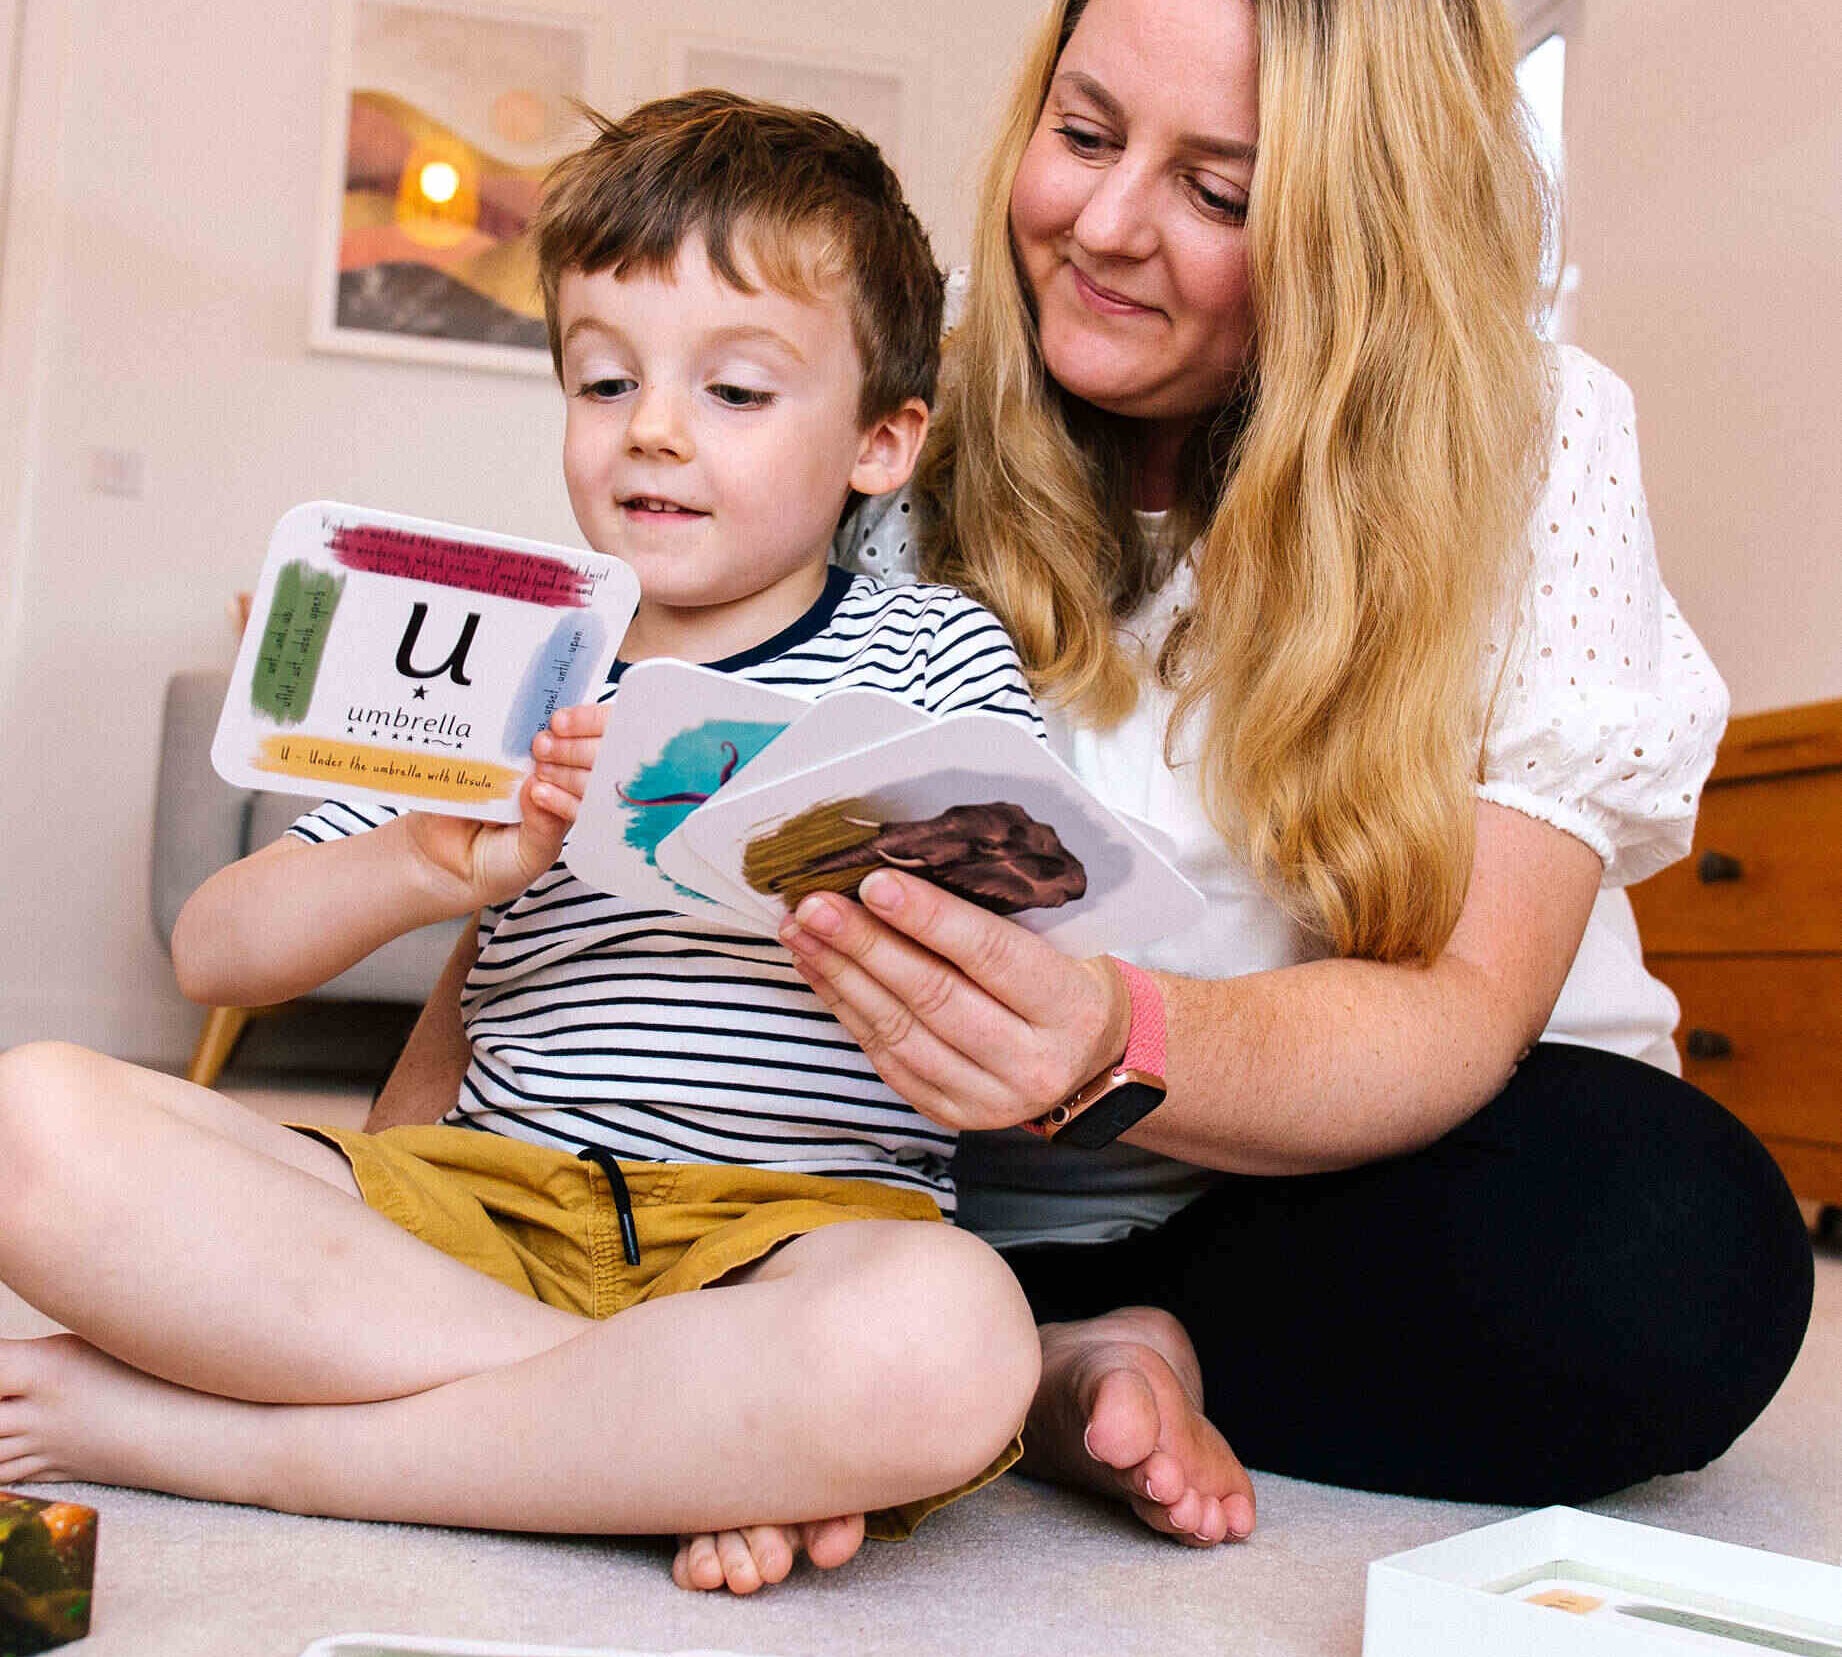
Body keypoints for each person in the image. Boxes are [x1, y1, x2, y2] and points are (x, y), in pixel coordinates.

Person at [775, 0, 1811, 1555]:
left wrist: (1108, 1035)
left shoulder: (1535, 444)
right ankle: (1037, 1354)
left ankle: (1040, 1351)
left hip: (1350, 1179)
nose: (1103, 228)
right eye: (1080, 134)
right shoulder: (894, 413)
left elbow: (1465, 1000)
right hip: (953, 1186)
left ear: (1361, 234)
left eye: (1219, 193)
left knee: (1677, 1245)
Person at [0, 92, 1044, 1596]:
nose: (655, 430)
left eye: (736, 392)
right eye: (603, 380)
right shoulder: (506, 654)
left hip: (795, 1234)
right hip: (476, 1212)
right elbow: (213, 943)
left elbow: (1017, 920)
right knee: (38, 1117)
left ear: (883, 441)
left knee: (951, 1339)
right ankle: (640, 1433)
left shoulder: (932, 651)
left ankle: (223, 1446)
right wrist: (429, 867)